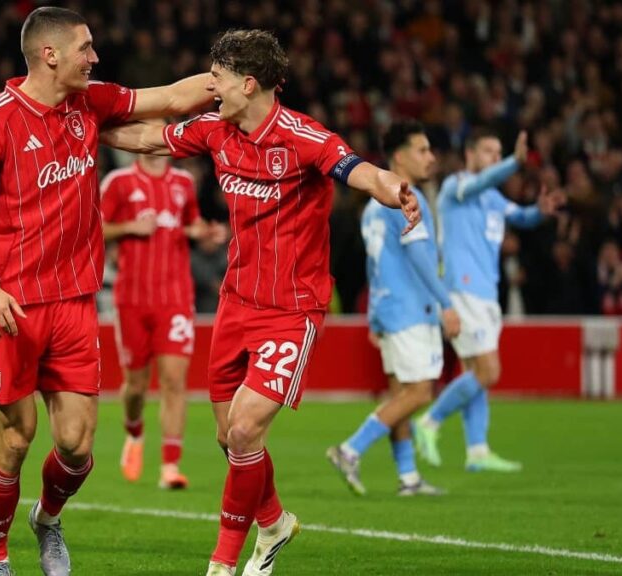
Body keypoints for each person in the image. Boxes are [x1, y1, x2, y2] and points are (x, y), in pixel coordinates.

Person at [101, 29, 420, 576]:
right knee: (228, 437)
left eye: (217, 77)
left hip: (292, 308)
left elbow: (359, 170)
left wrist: (394, 188)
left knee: (246, 429)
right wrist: (82, 126)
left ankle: (224, 563)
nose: (211, 87)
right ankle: (273, 522)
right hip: (236, 301)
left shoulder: (303, 137)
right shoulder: (215, 130)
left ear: (248, 84)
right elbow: (150, 139)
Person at [0, 7, 213, 576]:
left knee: (76, 444)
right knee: (15, 440)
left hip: (73, 302)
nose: (94, 57)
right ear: (50, 55)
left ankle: (47, 519)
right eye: (85, 48)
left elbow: (168, 97)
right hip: (10, 306)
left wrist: (231, 80)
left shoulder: (88, 103)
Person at [413, 128, 565, 472]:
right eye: (489, 152)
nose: (495, 158)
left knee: (475, 375)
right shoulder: (456, 187)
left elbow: (520, 217)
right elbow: (481, 181)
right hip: (463, 290)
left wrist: (539, 211)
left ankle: (478, 451)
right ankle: (429, 422)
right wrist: (514, 162)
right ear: (470, 154)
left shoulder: (493, 198)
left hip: (486, 292)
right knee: (489, 371)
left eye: (499, 153)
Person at [326, 120, 457, 497]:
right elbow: (419, 257)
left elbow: (375, 264)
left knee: (401, 395)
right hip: (410, 309)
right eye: (422, 150)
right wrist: (447, 304)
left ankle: (408, 477)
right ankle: (350, 450)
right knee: (419, 393)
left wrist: (374, 316)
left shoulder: (374, 204)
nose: (430, 157)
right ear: (399, 157)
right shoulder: (406, 197)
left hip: (388, 309)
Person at [100, 153, 226, 489]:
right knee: (135, 386)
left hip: (175, 298)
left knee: (174, 381)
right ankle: (134, 431)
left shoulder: (184, 182)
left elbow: (191, 223)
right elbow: (93, 227)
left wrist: (205, 233)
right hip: (132, 299)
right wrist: (130, 227)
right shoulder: (119, 182)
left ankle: (170, 466)